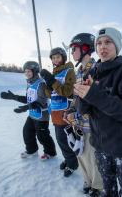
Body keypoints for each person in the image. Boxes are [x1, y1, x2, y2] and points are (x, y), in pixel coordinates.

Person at [74, 27, 122, 196]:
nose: (102, 47)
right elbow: (82, 109)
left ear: (116, 46)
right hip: (100, 146)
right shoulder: (92, 72)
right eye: (99, 43)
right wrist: (84, 96)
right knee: (108, 191)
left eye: (108, 42)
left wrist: (95, 95)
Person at [63, 33, 103, 197]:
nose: (71, 52)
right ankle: (88, 181)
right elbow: (77, 98)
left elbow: (93, 103)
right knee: (81, 155)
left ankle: (98, 186)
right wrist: (69, 111)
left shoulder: (96, 70)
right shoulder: (79, 71)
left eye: (74, 48)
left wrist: (75, 117)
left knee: (92, 158)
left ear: (85, 48)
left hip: (91, 124)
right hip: (79, 124)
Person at [0, 61, 57, 161]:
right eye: (25, 71)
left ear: (35, 72)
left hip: (42, 115)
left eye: (29, 71)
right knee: (27, 132)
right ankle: (32, 150)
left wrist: (26, 107)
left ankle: (50, 152)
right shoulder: (30, 84)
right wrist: (13, 97)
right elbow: (28, 99)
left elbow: (42, 101)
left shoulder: (40, 84)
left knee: (42, 135)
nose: (27, 73)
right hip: (32, 114)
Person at [40, 47, 78, 177]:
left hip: (65, 112)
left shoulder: (69, 71)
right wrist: (48, 86)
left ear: (63, 58)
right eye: (53, 58)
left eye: (58, 57)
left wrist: (52, 81)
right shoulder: (54, 74)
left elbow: (68, 91)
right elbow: (51, 95)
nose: (55, 60)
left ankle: (73, 163)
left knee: (65, 140)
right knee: (61, 139)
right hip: (55, 112)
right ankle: (69, 159)